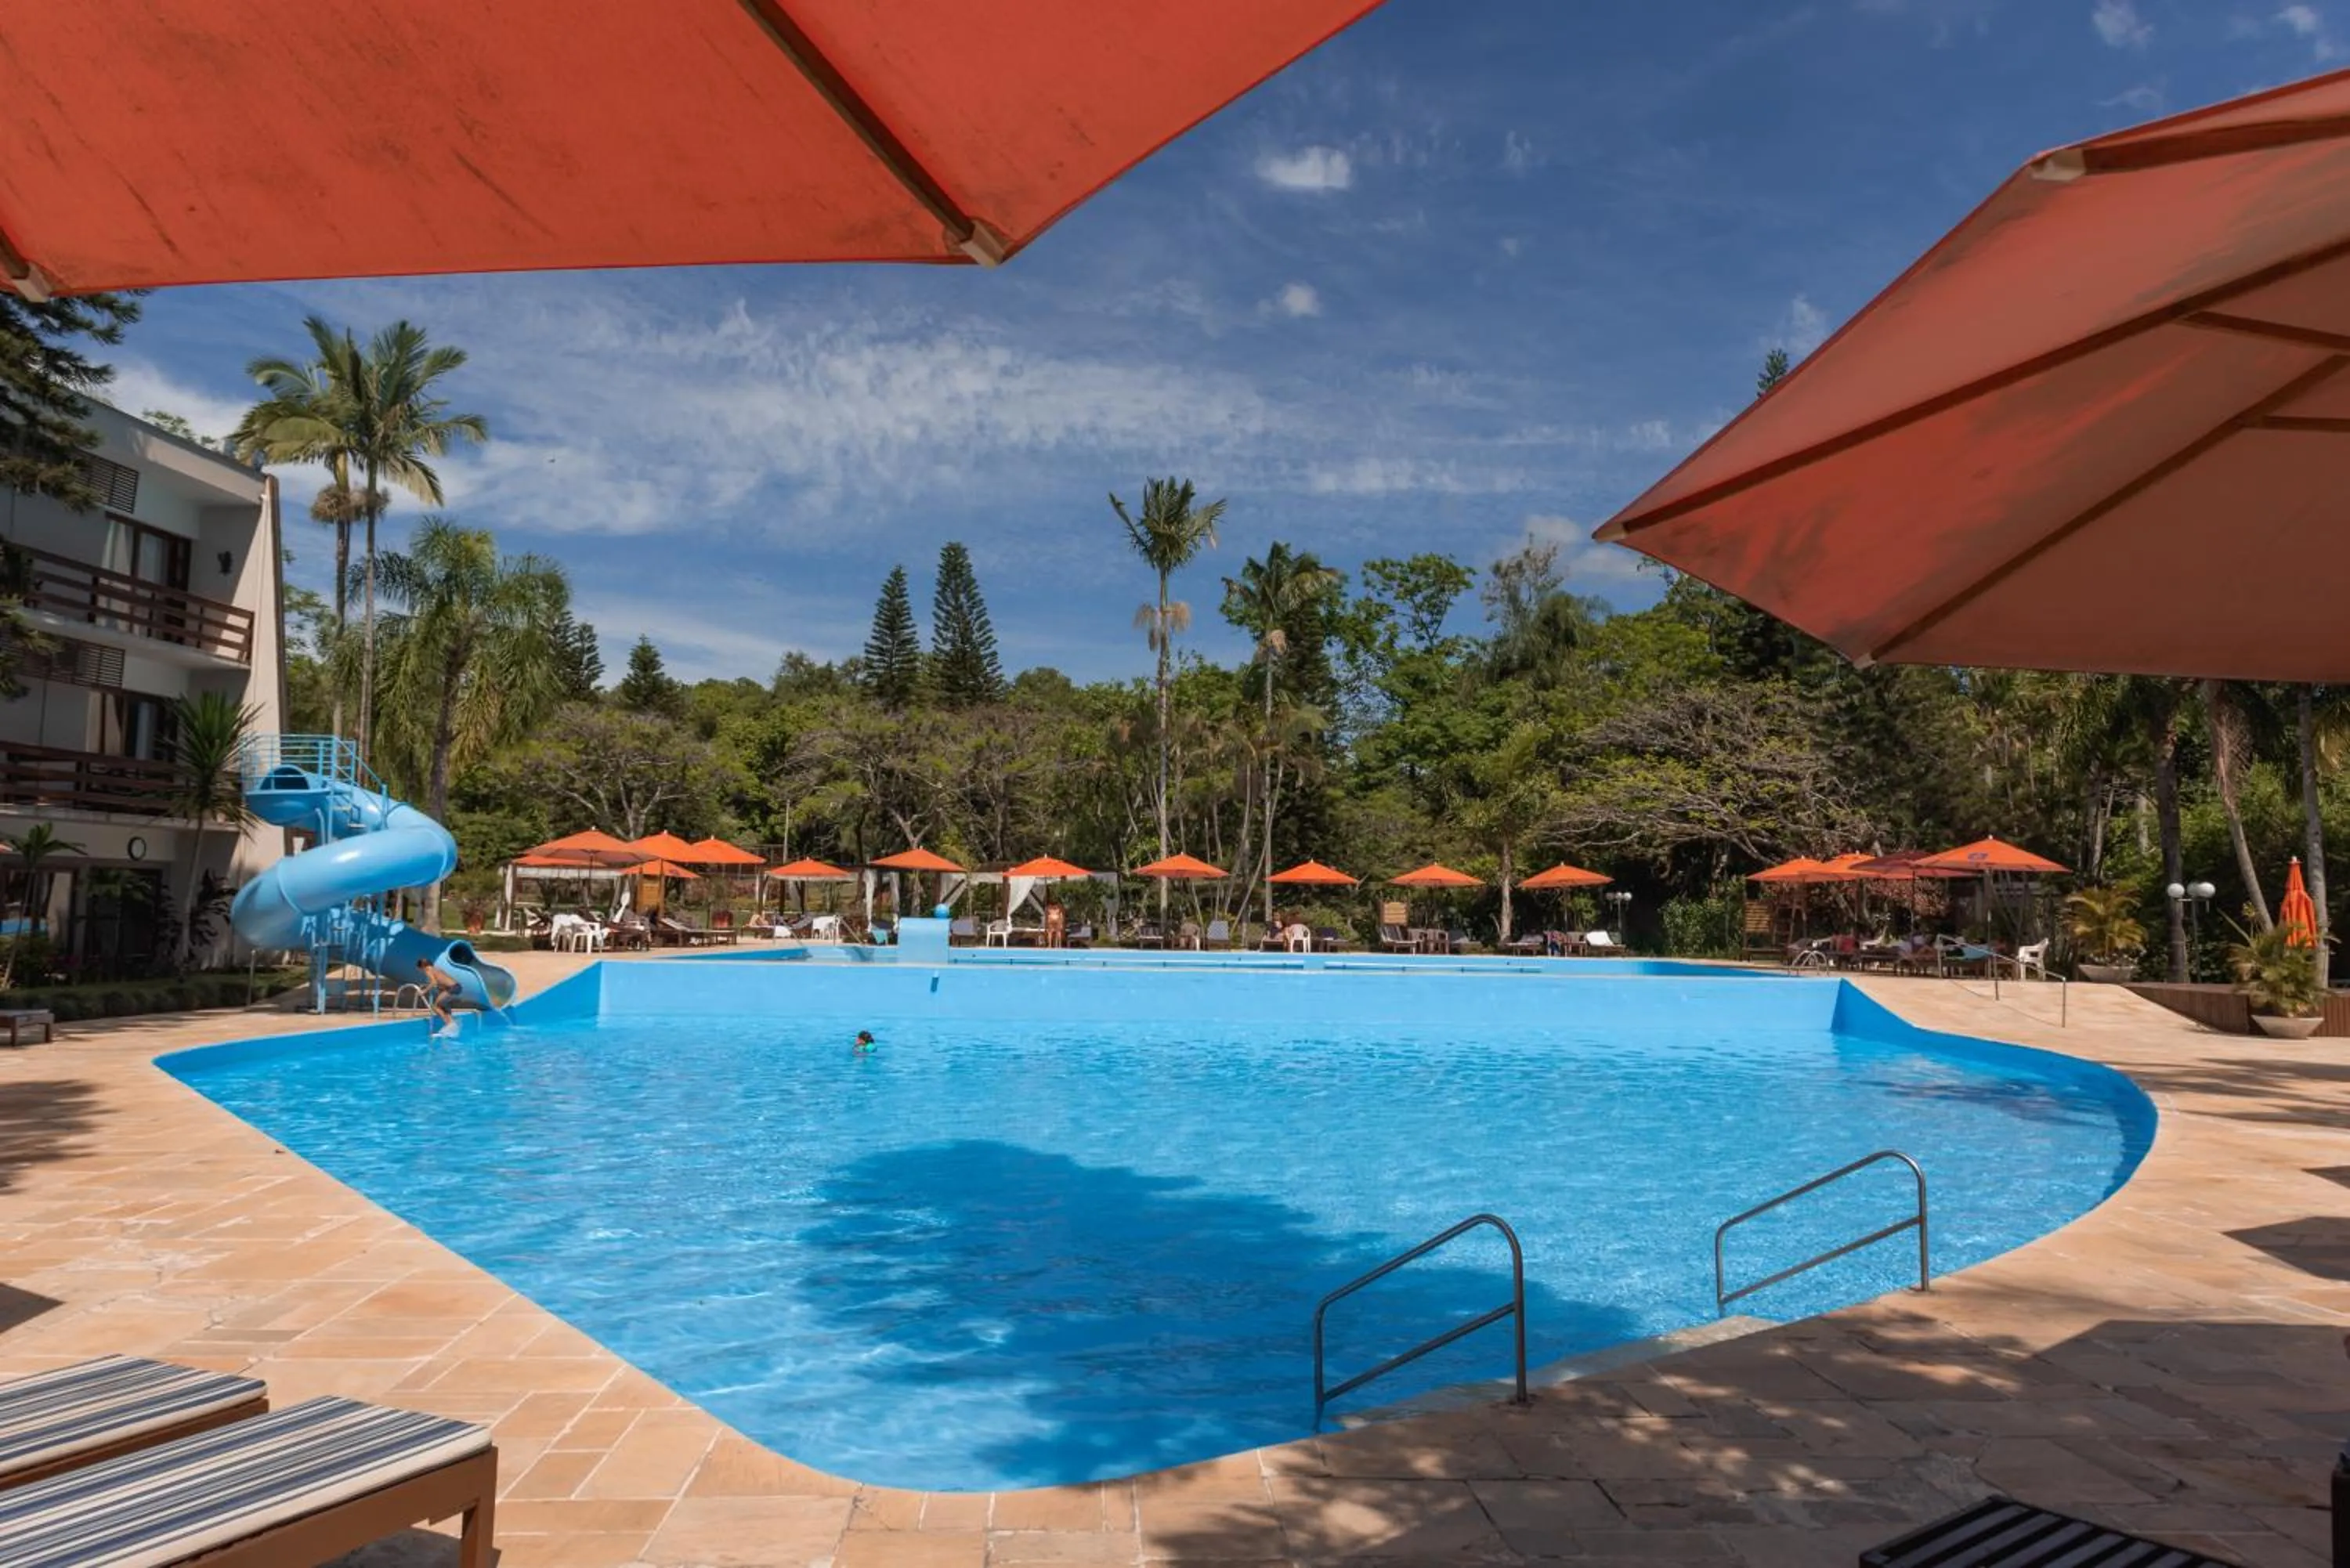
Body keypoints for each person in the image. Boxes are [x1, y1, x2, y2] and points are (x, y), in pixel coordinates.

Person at [417, 957, 461, 1032]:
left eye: (420, 969)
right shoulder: (437, 969)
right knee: (442, 1005)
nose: (421, 971)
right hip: (456, 987)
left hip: (452, 988)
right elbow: (443, 979)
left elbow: (434, 982)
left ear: (422, 967)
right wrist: (440, 988)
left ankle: (449, 1024)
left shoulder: (428, 970)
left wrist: (424, 991)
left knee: (435, 1006)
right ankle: (451, 1023)